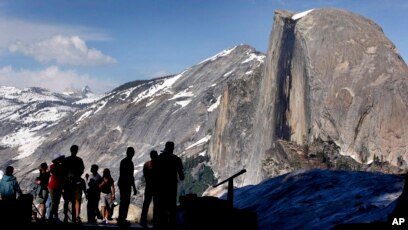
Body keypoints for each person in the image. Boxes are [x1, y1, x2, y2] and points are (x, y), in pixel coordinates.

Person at [157, 141, 184, 229]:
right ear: (173, 148)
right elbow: (181, 176)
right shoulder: (176, 159)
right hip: (172, 185)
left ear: (165, 147)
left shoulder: (161, 158)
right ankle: (171, 223)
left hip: (162, 185)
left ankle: (161, 223)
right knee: (171, 204)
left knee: (162, 205)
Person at [63, 145, 85, 223]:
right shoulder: (79, 160)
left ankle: (65, 216)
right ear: (76, 150)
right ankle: (76, 217)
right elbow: (82, 170)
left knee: (67, 200)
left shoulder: (66, 160)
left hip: (68, 182)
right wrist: (77, 176)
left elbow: (63, 171)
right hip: (77, 182)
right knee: (77, 200)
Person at [117, 147, 137, 226]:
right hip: (125, 184)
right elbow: (130, 176)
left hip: (123, 184)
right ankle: (122, 219)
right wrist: (134, 187)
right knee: (125, 202)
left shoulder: (124, 161)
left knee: (124, 201)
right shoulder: (128, 162)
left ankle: (121, 218)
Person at [140, 150, 159, 228]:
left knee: (146, 203)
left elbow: (146, 176)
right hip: (156, 187)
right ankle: (155, 220)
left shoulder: (146, 164)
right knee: (156, 204)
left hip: (149, 186)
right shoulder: (159, 165)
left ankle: (143, 220)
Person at [48, 154, 65, 222]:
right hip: (53, 186)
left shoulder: (60, 166)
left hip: (58, 186)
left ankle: (54, 216)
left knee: (56, 202)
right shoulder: (53, 166)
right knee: (54, 201)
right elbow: (54, 172)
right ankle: (51, 216)